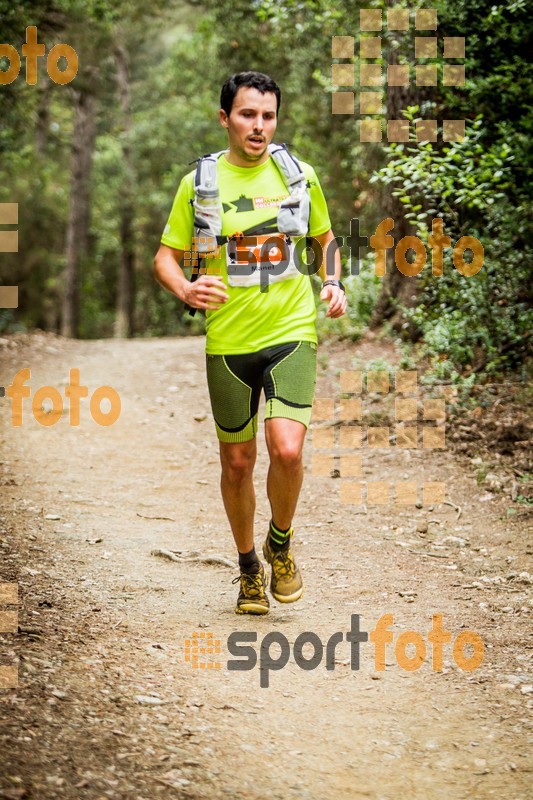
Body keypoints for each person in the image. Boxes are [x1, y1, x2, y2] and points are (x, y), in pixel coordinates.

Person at [153, 71, 346, 615]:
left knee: (287, 450)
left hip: (291, 331)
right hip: (228, 342)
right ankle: (247, 568)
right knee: (237, 464)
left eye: (267, 116)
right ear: (225, 118)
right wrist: (187, 286)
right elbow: (165, 257)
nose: (258, 126)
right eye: (247, 114)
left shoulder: (299, 176)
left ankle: (279, 543)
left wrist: (332, 281)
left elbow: (325, 239)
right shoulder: (201, 183)